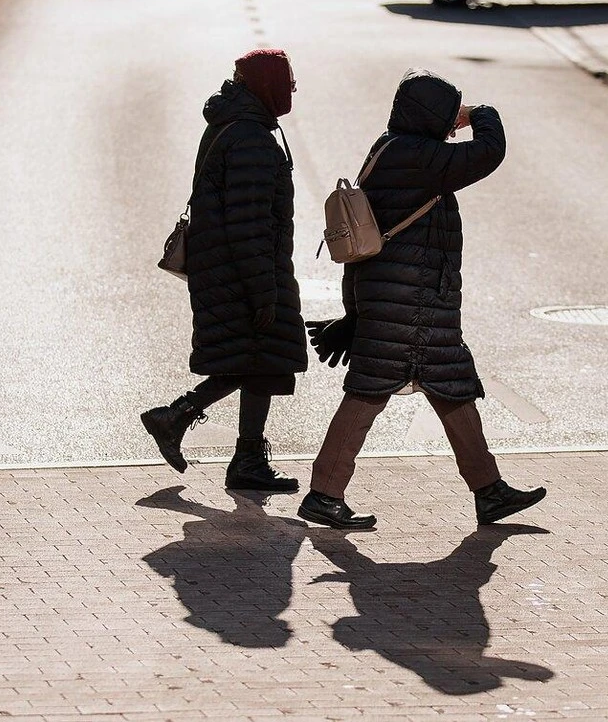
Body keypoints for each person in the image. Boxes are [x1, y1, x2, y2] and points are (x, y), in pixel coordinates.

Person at [299, 69, 546, 529]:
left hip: (409, 303)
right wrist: (479, 113)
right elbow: (490, 151)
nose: (454, 126)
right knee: (368, 394)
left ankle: (489, 491)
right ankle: (324, 494)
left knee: (453, 389)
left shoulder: (392, 147)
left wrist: (356, 311)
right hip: (410, 308)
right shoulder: (418, 156)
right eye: (448, 115)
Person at [142, 49, 307, 492]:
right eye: (286, 81)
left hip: (234, 268)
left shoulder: (240, 124)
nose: (292, 89)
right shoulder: (251, 138)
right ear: (267, 85)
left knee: (262, 360)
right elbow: (249, 223)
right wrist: (264, 292)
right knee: (257, 355)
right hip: (242, 272)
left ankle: (240, 456)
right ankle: (178, 420)